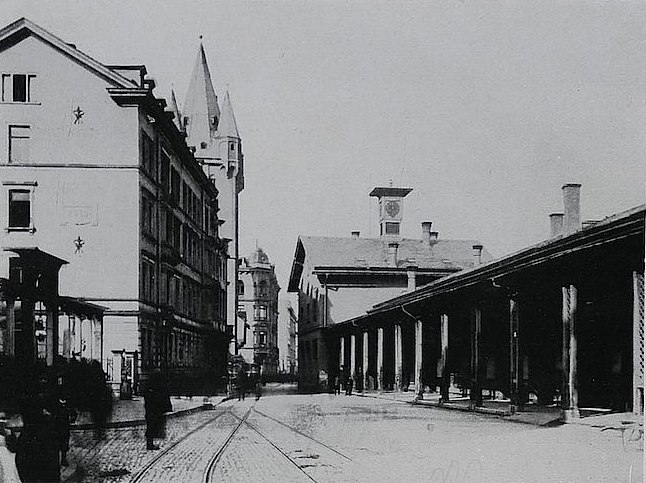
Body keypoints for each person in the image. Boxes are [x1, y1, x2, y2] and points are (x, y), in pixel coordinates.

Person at [16, 371, 63, 482]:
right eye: (41, 379)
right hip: (38, 444)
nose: (43, 382)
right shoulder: (31, 401)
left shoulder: (47, 399)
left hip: (43, 444)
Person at [144, 369, 172, 450]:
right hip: (156, 411)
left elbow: (146, 396)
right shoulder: (160, 387)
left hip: (150, 410)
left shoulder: (149, 386)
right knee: (155, 426)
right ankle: (151, 444)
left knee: (150, 426)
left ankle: (150, 443)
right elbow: (165, 398)